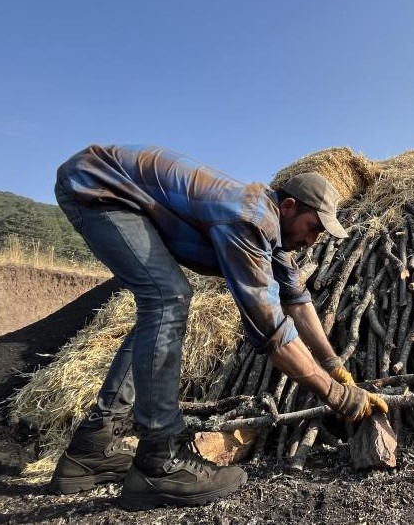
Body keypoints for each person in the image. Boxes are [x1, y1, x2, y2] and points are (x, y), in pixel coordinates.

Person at [50, 144, 388, 509]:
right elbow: (272, 330)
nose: (313, 240)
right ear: (289, 206)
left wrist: (333, 364)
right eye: (314, 227)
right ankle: (160, 461)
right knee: (167, 298)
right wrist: (336, 397)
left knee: (162, 303)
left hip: (115, 185)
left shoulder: (274, 233)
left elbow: (297, 301)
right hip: (98, 184)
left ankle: (91, 449)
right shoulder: (249, 219)